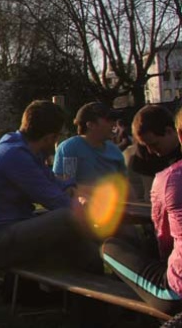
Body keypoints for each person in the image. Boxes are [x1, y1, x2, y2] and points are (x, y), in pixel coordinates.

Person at [0, 100, 102, 273]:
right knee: (69, 218)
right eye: (56, 136)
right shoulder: (15, 156)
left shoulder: (20, 148)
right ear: (49, 138)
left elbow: (51, 180)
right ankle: (103, 274)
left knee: (77, 239)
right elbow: (52, 199)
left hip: (8, 228)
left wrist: (72, 188)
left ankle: (82, 288)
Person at [101, 106, 182, 315]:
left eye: (154, 144)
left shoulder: (169, 178)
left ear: (175, 132)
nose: (152, 151)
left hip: (176, 293)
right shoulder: (143, 160)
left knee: (108, 248)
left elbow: (162, 238)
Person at [52, 102, 125, 196]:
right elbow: (67, 186)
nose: (114, 124)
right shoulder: (70, 148)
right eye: (108, 120)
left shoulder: (114, 150)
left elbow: (125, 185)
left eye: (114, 120)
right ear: (90, 125)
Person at [130, 105, 182, 199]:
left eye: (154, 144)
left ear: (169, 131)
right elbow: (150, 193)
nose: (150, 151)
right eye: (145, 146)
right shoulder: (143, 152)